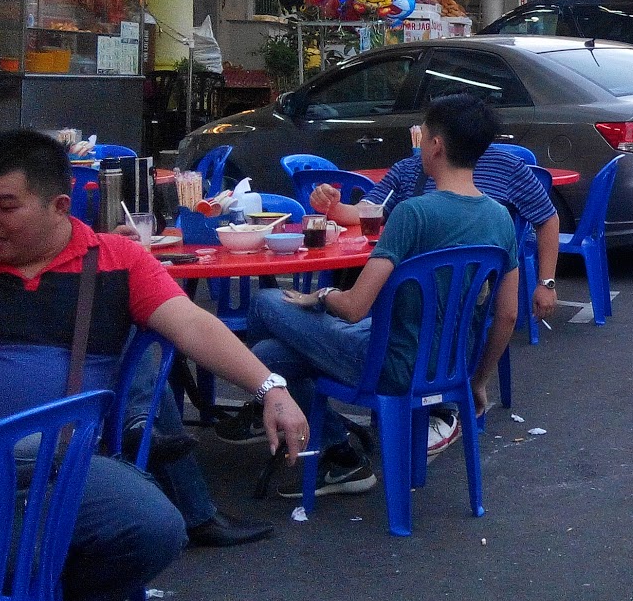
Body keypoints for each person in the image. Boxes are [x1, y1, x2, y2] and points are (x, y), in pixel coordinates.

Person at [0, 131, 309, 601]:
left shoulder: (115, 260)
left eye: (6, 206)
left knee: (152, 525)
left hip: (56, 472)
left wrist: (271, 387)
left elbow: (192, 325)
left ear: (59, 206)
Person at [218, 94, 522, 496]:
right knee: (269, 358)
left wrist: (322, 295)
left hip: (387, 362)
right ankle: (338, 454)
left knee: (266, 302)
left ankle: (326, 440)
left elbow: (355, 306)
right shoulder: (499, 217)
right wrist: (477, 378)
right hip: (450, 363)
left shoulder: (414, 213)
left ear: (435, 146)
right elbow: (507, 315)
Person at [303, 121, 561, 450]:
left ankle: (331, 445)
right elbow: (367, 212)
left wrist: (546, 281)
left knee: (270, 307)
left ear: (436, 143)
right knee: (277, 347)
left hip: (411, 334)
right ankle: (426, 413)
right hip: (450, 337)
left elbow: (546, 216)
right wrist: (330, 206)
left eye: (423, 135)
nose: (419, 143)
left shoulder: (493, 176)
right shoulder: (415, 174)